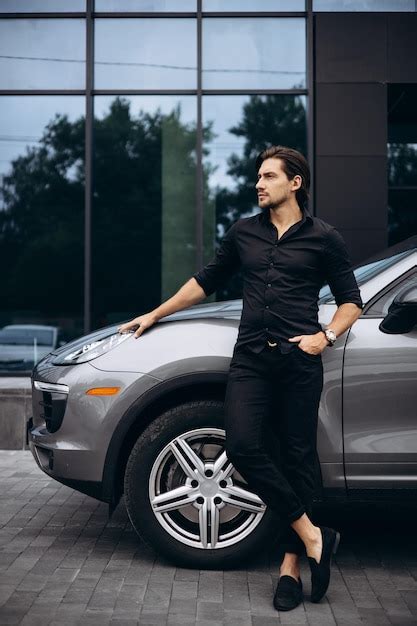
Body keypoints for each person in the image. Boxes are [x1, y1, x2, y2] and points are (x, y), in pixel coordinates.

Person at [118, 145, 363, 611]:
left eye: (269, 176)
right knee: (245, 444)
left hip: (298, 362)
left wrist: (325, 337)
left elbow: (352, 300)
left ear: (296, 183)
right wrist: (155, 313)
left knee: (297, 457)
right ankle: (315, 536)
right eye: (258, 176)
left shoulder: (324, 237)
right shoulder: (243, 232)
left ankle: (291, 568)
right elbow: (206, 280)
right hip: (251, 359)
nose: (258, 183)